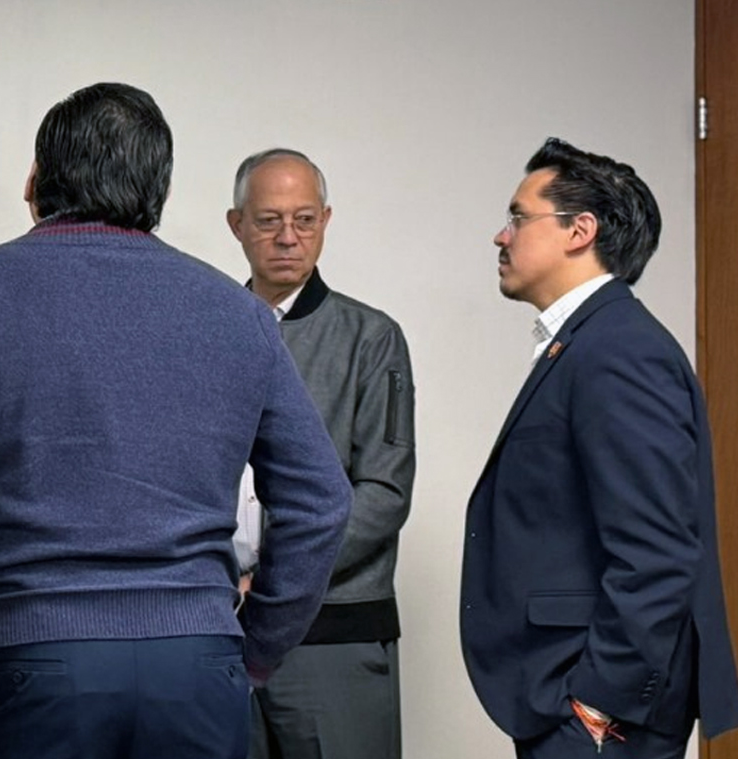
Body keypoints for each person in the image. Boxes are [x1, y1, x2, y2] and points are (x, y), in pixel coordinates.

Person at [0, 82, 352, 759]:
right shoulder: (237, 313)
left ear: (38, 180)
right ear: (160, 188)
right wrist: (252, 653)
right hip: (195, 667)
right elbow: (322, 501)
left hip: (20, 661)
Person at [461, 137, 738, 758]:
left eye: (518, 217)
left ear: (579, 230)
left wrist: (597, 701)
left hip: (602, 717)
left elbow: (658, 551)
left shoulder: (618, 350)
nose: (501, 236)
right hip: (575, 703)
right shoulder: (590, 341)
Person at [225, 148, 415, 759]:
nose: (288, 237)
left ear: (326, 221)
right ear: (236, 224)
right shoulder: (206, 330)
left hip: (332, 634)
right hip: (217, 629)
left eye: (304, 220)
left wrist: (272, 581)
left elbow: (384, 493)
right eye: (268, 220)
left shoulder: (371, 338)